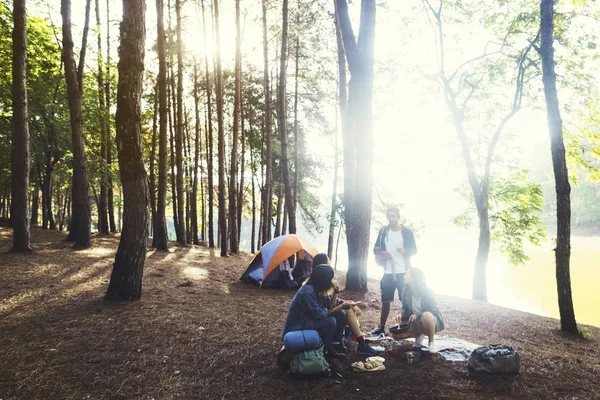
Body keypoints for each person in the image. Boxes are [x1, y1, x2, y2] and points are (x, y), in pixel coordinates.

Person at [311, 253, 381, 356]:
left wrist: (337, 292)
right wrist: (343, 304)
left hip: (325, 312)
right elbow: (328, 307)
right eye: (328, 262)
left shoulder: (324, 280)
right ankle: (360, 343)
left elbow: (331, 303)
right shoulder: (316, 284)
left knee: (348, 309)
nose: (330, 266)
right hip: (318, 317)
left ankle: (342, 340)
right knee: (346, 311)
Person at [281, 264, 354, 359]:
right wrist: (341, 306)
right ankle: (324, 351)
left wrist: (336, 292)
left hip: (309, 319)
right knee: (330, 322)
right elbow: (318, 314)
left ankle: (332, 344)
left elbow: (329, 306)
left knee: (340, 314)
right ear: (323, 280)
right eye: (330, 279)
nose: (332, 281)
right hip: (299, 324)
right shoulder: (308, 291)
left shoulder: (318, 288)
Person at [370, 207, 417, 336]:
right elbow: (375, 249)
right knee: (386, 300)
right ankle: (381, 327)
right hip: (388, 271)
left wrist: (405, 250)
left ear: (398, 217)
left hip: (403, 272)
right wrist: (381, 254)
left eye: (393, 216)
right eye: (389, 216)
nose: (391, 219)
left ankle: (408, 327)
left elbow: (414, 250)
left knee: (405, 300)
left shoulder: (407, 232)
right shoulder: (383, 231)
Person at [394, 268, 444, 351]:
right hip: (415, 321)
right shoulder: (406, 291)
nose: (404, 276)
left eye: (407, 274)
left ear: (414, 278)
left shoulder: (427, 291)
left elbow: (434, 310)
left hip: (429, 321)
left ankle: (431, 343)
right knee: (396, 334)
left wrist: (417, 315)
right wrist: (400, 314)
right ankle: (418, 335)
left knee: (426, 315)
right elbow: (404, 308)